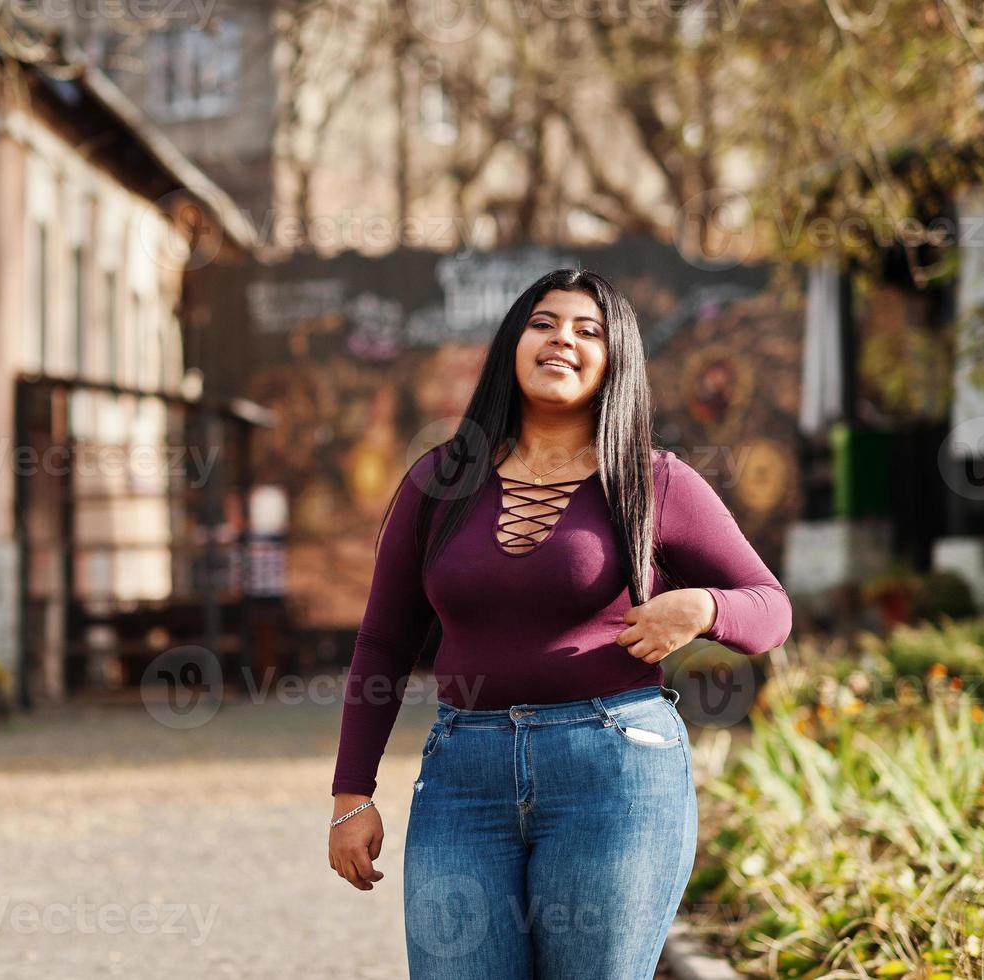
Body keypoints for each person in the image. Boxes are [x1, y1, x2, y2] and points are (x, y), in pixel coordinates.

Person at [325, 269, 792, 979]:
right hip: (462, 779)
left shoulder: (654, 481)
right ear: (513, 341)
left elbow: (769, 606)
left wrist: (701, 608)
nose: (561, 341)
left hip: (615, 775)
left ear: (614, 360)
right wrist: (350, 795)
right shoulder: (437, 481)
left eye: (587, 330)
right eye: (543, 323)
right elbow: (382, 644)